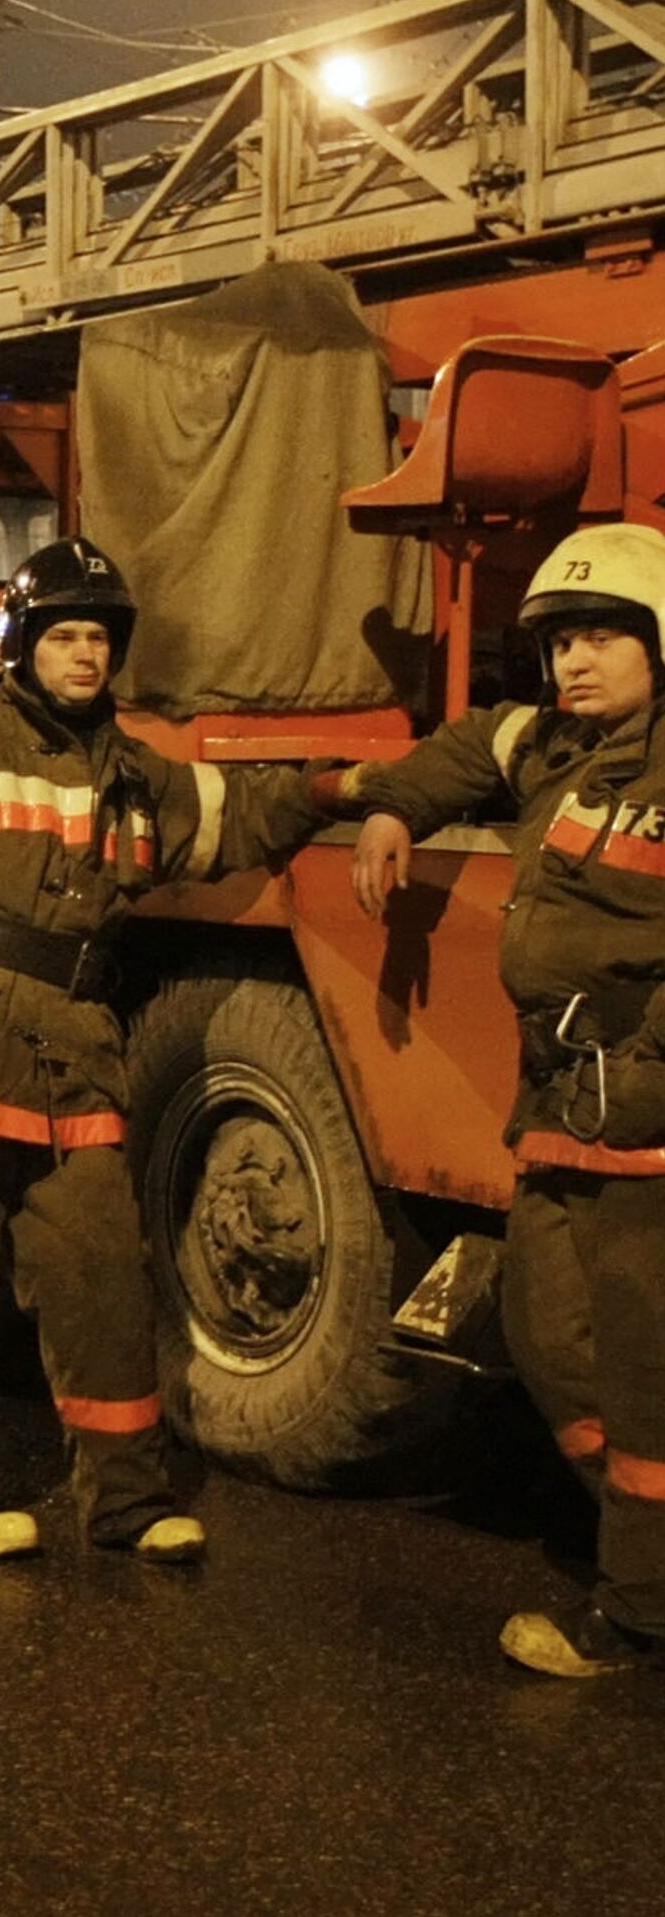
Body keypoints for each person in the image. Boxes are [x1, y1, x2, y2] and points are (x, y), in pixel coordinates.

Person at [0, 538, 324, 1562]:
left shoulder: (136, 775)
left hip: (76, 1064)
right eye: (64, 636)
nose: (85, 654)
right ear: (23, 645)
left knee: (102, 1284)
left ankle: (127, 1503)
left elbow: (235, 818)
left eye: (99, 637)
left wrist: (343, 791)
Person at [348, 520, 665, 1677]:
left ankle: (638, 1612)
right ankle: (644, 1555)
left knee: (646, 1371)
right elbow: (473, 744)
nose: (575, 660)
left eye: (603, 638)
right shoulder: (557, 748)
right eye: (561, 642)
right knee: (547, 1337)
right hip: (560, 1110)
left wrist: (648, 1079)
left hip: (646, 1116)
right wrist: (393, 806)